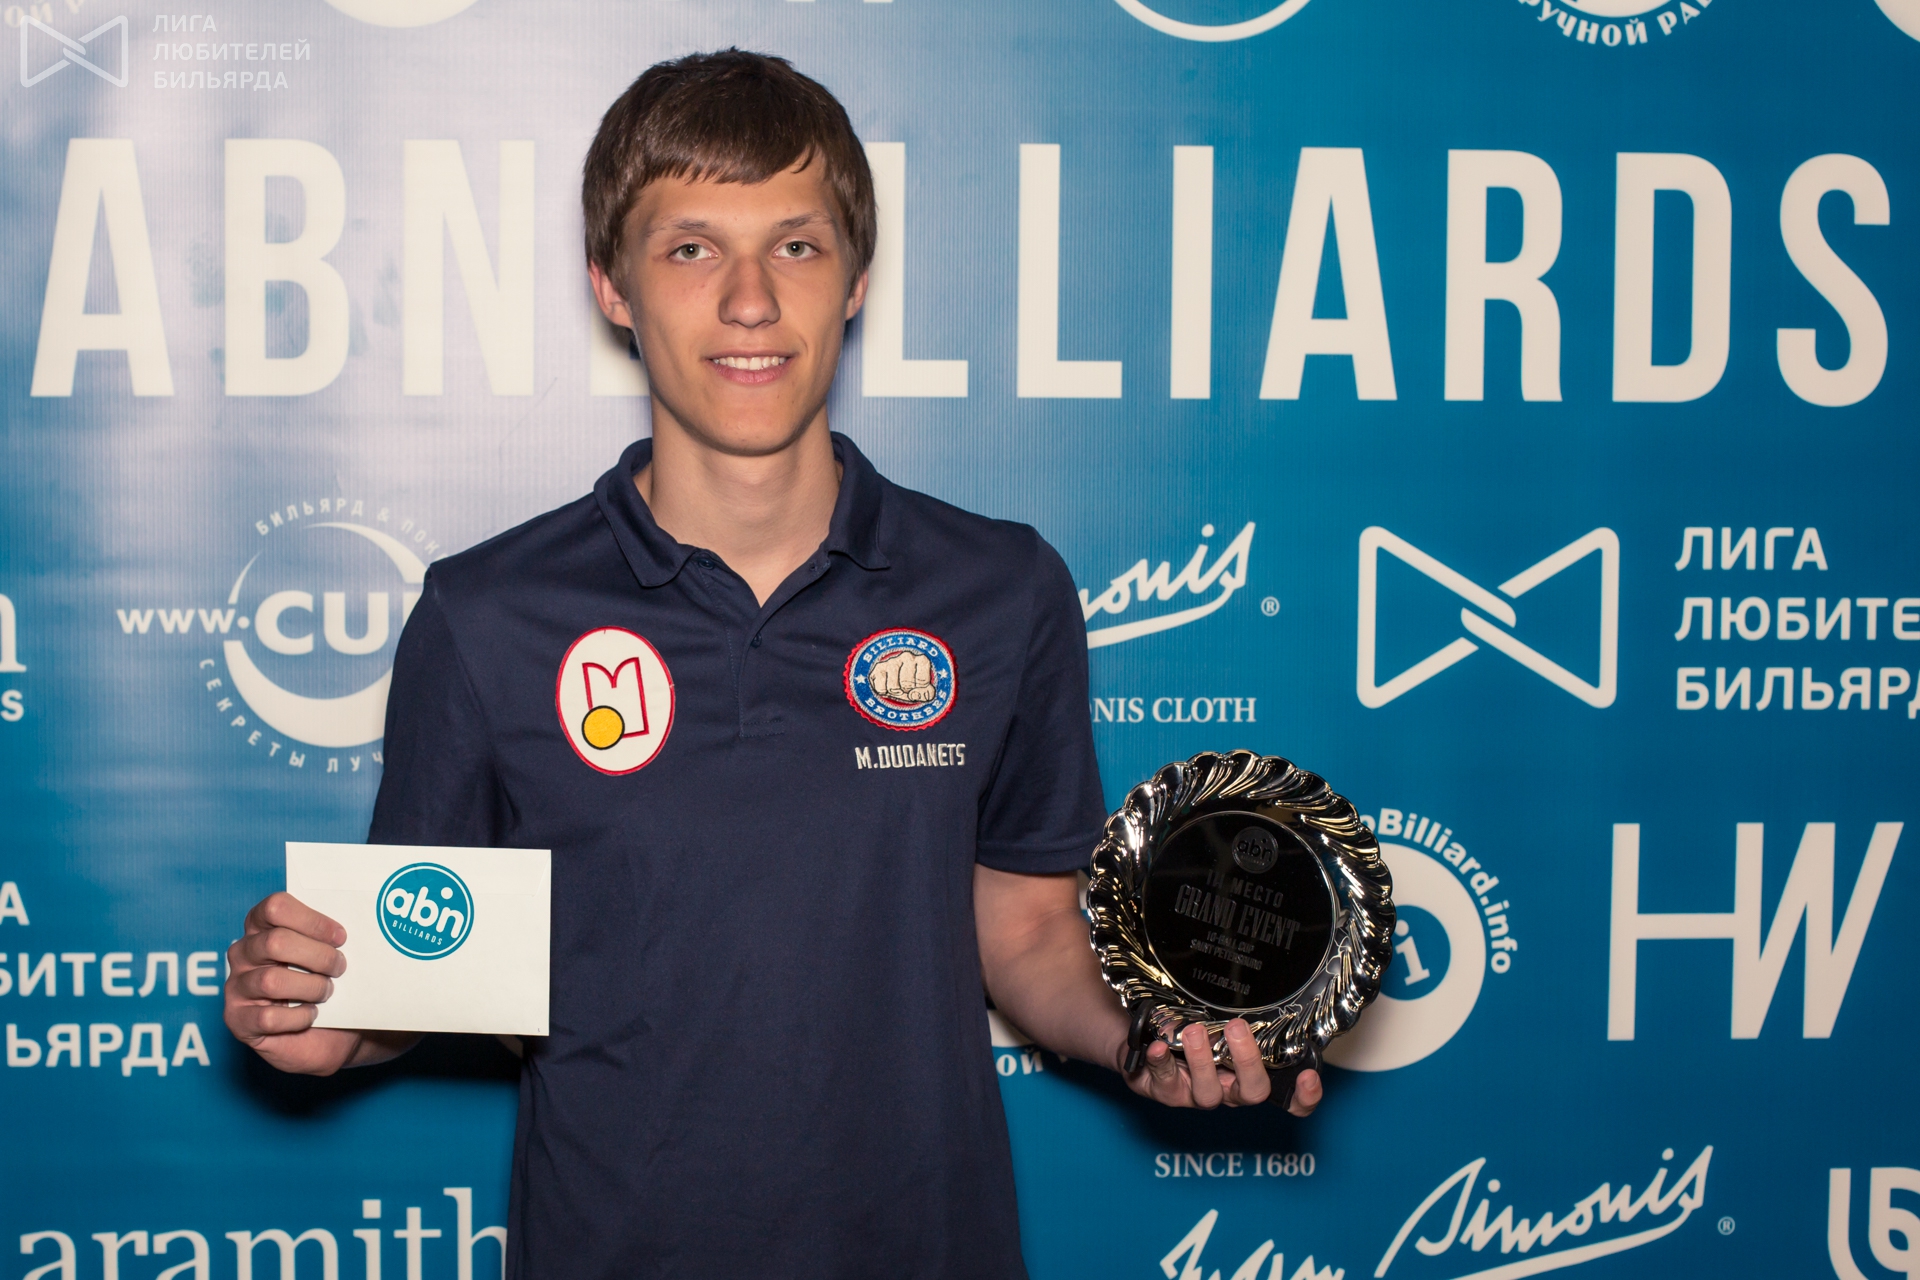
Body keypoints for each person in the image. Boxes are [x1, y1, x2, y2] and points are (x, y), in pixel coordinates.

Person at [223, 49, 1321, 1278]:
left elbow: (1024, 926)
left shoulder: (1000, 588)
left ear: (855, 279)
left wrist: (1143, 1035)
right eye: (692, 248)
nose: (750, 300)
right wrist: (329, 1016)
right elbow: (419, 959)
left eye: (795, 245)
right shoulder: (489, 615)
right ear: (612, 285)